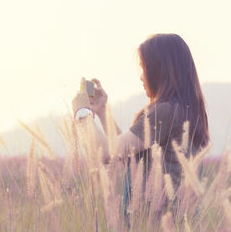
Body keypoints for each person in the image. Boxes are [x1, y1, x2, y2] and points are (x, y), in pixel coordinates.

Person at [71, 33, 209, 217]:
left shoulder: (164, 112)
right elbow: (130, 155)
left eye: (144, 68)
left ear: (159, 70)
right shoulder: (186, 112)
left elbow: (105, 153)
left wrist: (82, 113)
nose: (141, 77)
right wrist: (103, 111)